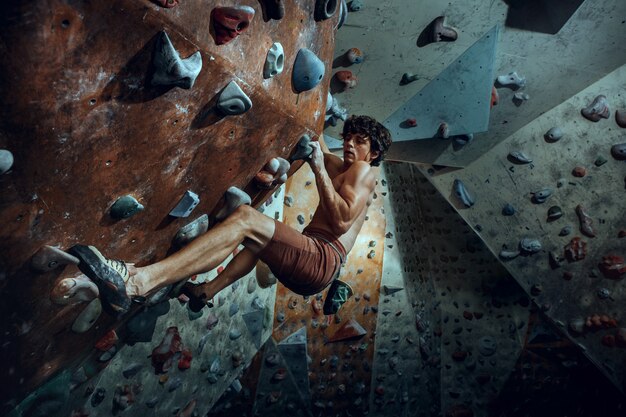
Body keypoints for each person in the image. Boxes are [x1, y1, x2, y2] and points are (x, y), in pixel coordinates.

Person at [68, 115, 392, 317]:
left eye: (359, 141)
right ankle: (205, 291)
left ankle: (137, 282)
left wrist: (318, 165)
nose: (349, 144)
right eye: (348, 138)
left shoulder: (364, 171)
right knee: (255, 241)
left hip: (322, 258)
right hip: (312, 272)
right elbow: (316, 139)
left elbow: (341, 221)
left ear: (373, 152)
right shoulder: (346, 168)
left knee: (246, 219)